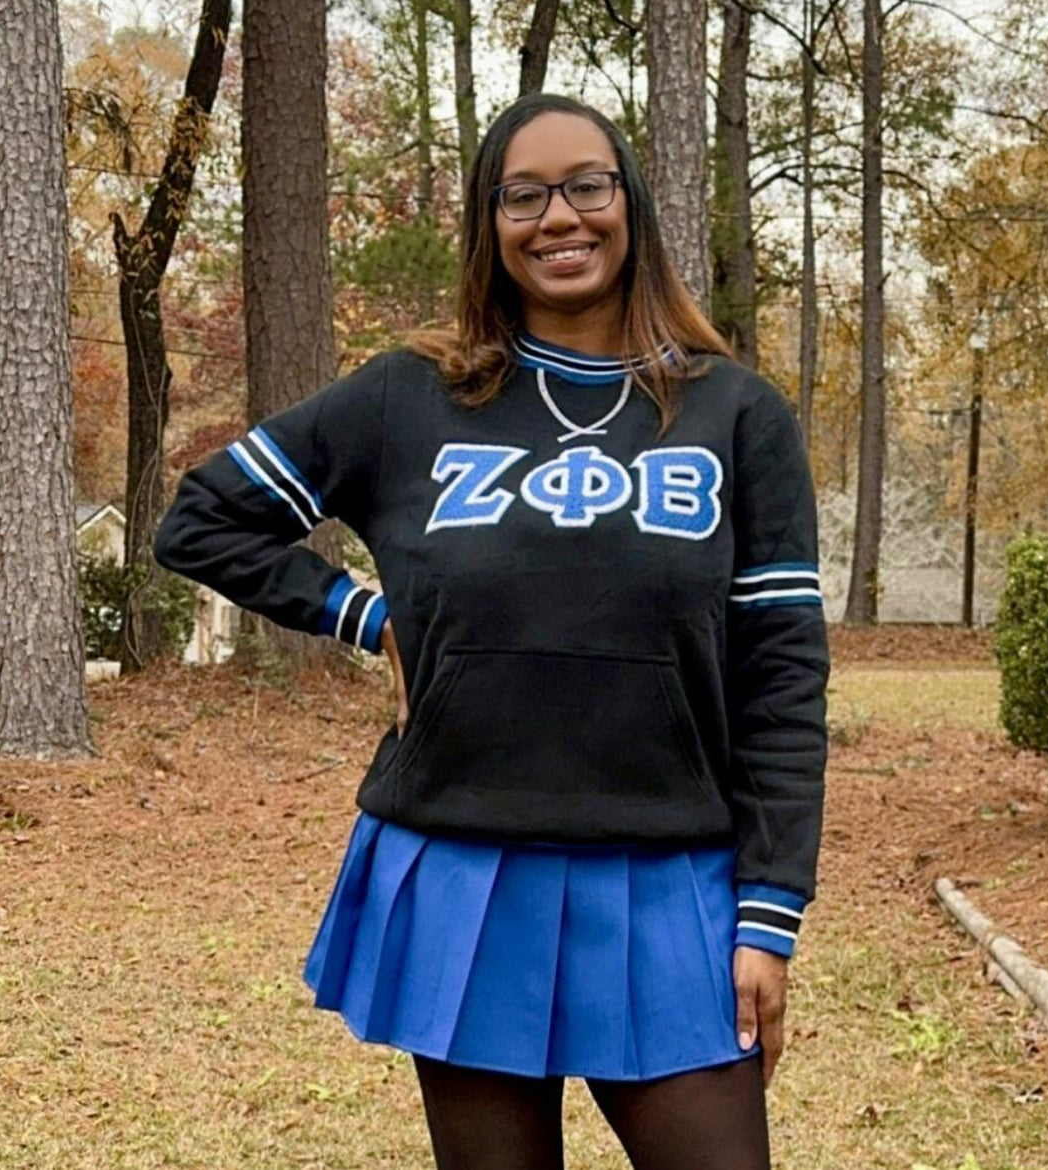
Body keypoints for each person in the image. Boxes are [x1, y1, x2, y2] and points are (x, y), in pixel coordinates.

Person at [153, 91, 830, 1170]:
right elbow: (203, 520)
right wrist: (365, 615)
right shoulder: (411, 397)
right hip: (464, 869)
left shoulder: (736, 415)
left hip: (672, 876)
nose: (560, 217)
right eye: (524, 195)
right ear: (491, 223)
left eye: (587, 186)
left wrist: (770, 909)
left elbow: (784, 676)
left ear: (632, 206)